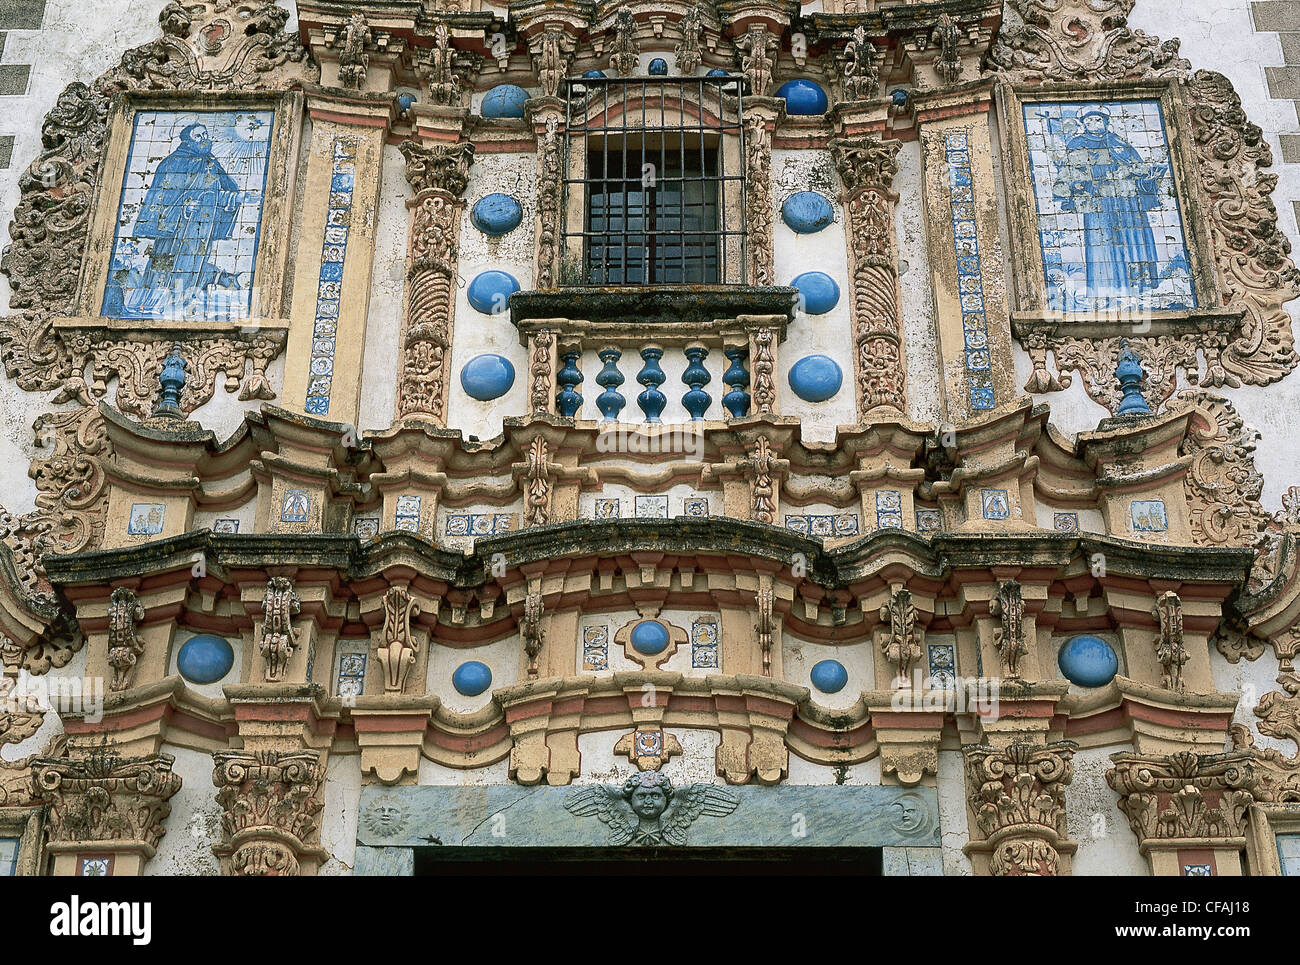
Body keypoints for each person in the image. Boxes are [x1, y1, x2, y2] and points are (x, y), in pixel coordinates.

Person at [124, 123, 244, 318]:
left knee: (194, 265)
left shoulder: (211, 163)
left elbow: (227, 189)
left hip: (201, 229)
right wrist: (182, 209)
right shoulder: (173, 163)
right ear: (188, 141)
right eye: (198, 136)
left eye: (205, 134)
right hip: (175, 230)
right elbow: (161, 198)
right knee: (167, 265)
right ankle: (153, 304)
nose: (204, 138)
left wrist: (230, 201)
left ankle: (185, 305)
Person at [1051, 106, 1167, 305]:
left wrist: (1147, 176)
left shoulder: (1118, 142)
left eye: (1097, 120)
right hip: (1098, 203)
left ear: (1105, 121)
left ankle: (1140, 286)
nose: (1093, 125)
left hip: (1126, 201)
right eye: (1088, 121)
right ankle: (1104, 290)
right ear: (1083, 124)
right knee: (1101, 244)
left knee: (1133, 240)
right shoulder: (1077, 144)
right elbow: (1069, 174)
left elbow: (1137, 169)